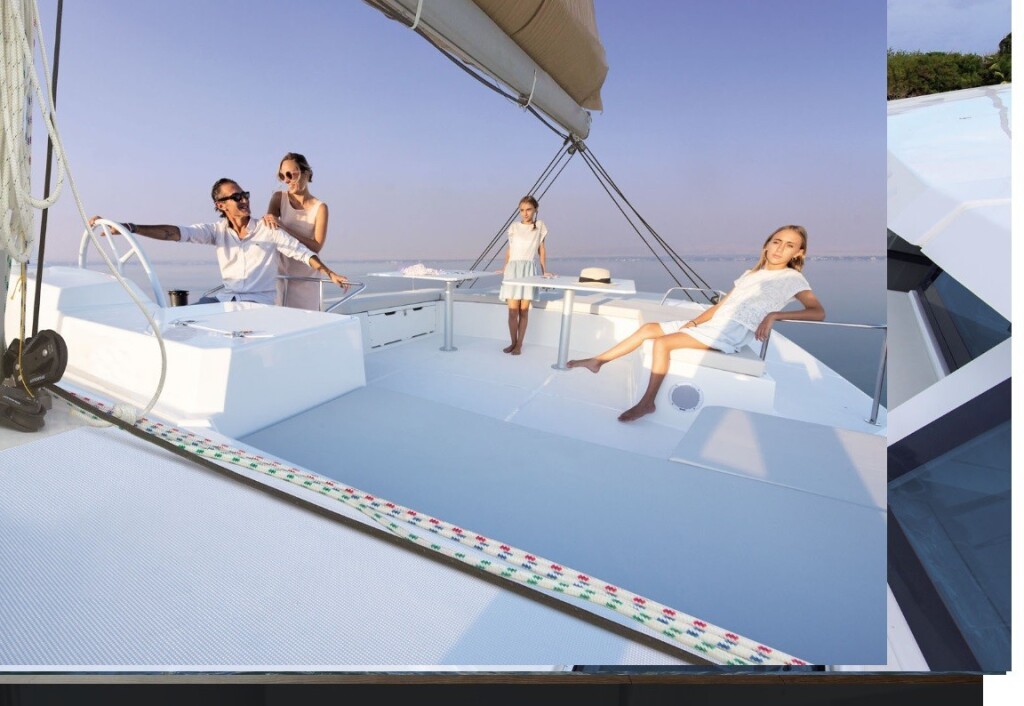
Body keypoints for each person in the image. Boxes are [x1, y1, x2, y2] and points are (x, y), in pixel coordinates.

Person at [568, 225, 825, 422]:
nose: (780, 249)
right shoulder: (752, 274)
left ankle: (647, 402)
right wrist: (693, 322)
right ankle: (598, 361)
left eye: (789, 245)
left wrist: (773, 316)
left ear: (798, 253)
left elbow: (818, 312)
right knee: (649, 328)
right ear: (767, 244)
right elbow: (721, 306)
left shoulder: (791, 279)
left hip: (730, 333)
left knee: (662, 343)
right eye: (776, 241)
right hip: (715, 325)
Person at [88, 178, 348, 305]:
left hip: (258, 304)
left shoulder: (267, 230)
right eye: (236, 197)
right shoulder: (216, 231)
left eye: (244, 194)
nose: (244, 200)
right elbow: (175, 233)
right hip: (226, 300)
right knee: (182, 320)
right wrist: (131, 227)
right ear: (221, 205)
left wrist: (330, 273)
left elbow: (301, 252)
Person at [261, 153, 329, 310]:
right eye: (282, 176)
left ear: (306, 173)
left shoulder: (320, 208)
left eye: (290, 174)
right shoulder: (278, 198)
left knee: (308, 320)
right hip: (282, 275)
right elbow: (269, 233)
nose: (286, 180)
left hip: (308, 278)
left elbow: (316, 246)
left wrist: (284, 227)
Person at [497, 195, 554, 355]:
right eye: (522, 210)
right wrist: (504, 267)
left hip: (528, 270)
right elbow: (510, 249)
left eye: (528, 209)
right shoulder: (514, 227)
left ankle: (519, 345)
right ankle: (513, 342)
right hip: (512, 270)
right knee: (512, 311)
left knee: (524, 311)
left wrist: (544, 270)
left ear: (535, 210)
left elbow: (541, 250)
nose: (525, 213)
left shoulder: (540, 226)